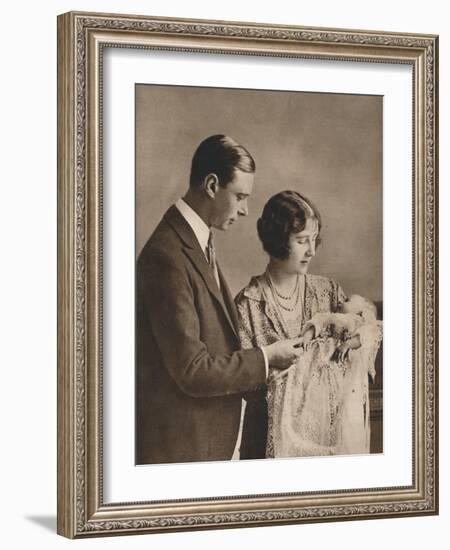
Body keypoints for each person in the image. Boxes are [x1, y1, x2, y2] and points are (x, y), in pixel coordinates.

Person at [136, 135, 303, 465]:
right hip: (180, 453)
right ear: (212, 184)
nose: (245, 210)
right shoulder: (166, 255)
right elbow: (192, 370)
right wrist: (265, 359)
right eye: (240, 196)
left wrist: (267, 366)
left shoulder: (196, 242)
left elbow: (215, 344)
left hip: (205, 443)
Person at [235, 190, 382, 459]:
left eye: (314, 240)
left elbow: (364, 334)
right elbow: (241, 380)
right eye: (302, 241)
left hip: (328, 440)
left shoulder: (328, 291)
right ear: (278, 240)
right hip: (267, 443)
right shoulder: (249, 304)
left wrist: (356, 342)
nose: (312, 251)